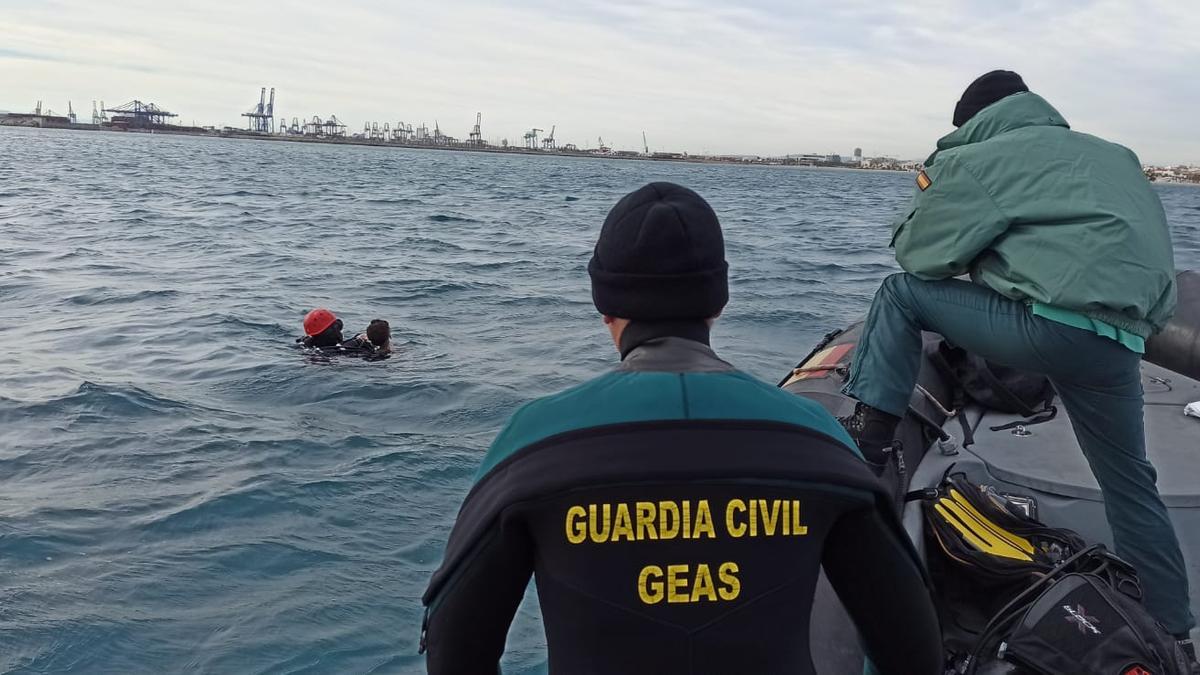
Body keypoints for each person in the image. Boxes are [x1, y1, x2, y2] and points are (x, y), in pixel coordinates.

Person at [421, 182, 942, 674]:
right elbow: (912, 646)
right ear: (719, 302)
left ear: (605, 306)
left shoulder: (534, 442)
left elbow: (454, 640)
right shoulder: (818, 441)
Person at [840, 70, 1196, 654]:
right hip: (1120, 340)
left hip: (1048, 329)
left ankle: (870, 438)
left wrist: (938, 197)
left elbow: (920, 255)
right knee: (1131, 482)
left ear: (973, 123)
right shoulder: (1116, 157)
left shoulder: (983, 157)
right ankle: (1173, 631)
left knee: (898, 294)